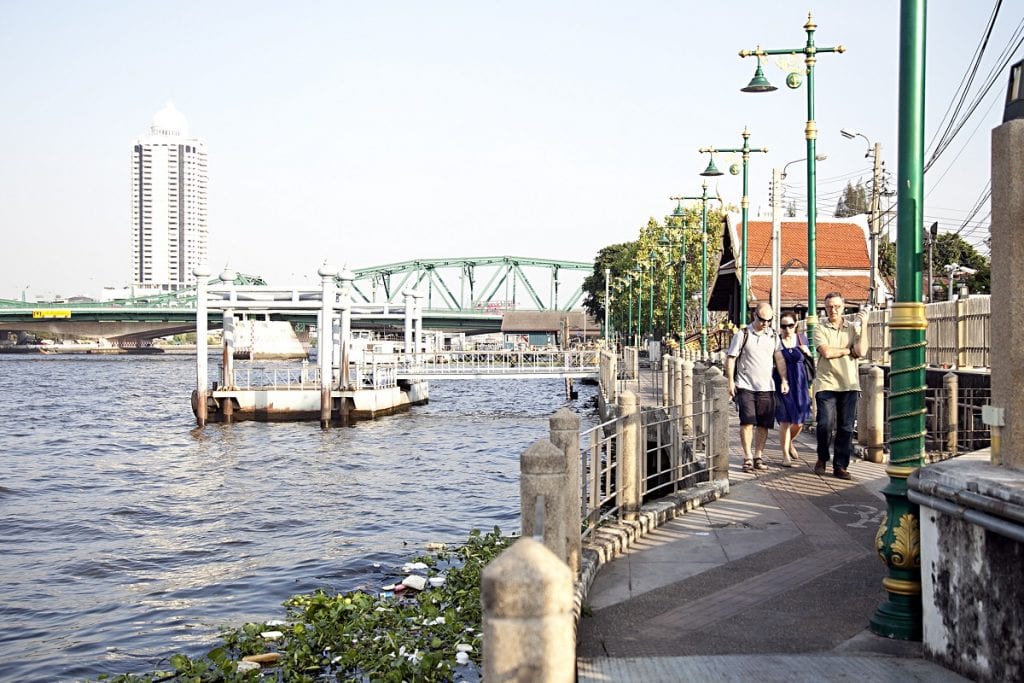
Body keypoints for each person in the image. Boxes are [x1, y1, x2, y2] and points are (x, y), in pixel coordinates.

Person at [726, 302, 789, 473]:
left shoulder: (774, 336)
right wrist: (730, 381)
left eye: (769, 320)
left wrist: (783, 379)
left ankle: (758, 456)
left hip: (766, 386)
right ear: (755, 315)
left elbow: (779, 358)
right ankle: (747, 457)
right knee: (747, 421)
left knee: (763, 424)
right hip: (746, 384)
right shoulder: (743, 334)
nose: (765, 324)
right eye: (762, 320)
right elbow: (731, 358)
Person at [812, 292, 870, 480]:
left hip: (849, 383)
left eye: (837, 306)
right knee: (825, 424)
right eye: (829, 306)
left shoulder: (852, 328)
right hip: (826, 382)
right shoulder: (820, 328)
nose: (833, 310)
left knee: (845, 427)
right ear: (825, 307)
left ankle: (840, 465)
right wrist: (847, 351)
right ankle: (822, 456)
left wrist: (865, 325)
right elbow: (826, 352)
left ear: (843, 306)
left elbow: (861, 351)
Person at [774, 312, 812, 467]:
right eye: (783, 326)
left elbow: (810, 359)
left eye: (790, 325)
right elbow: (776, 361)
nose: (787, 329)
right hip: (783, 381)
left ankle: (789, 442)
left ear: (796, 324)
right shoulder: (777, 342)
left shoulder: (802, 339)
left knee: (800, 421)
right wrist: (783, 381)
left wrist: (807, 352)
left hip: (800, 382)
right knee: (785, 419)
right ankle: (785, 455)